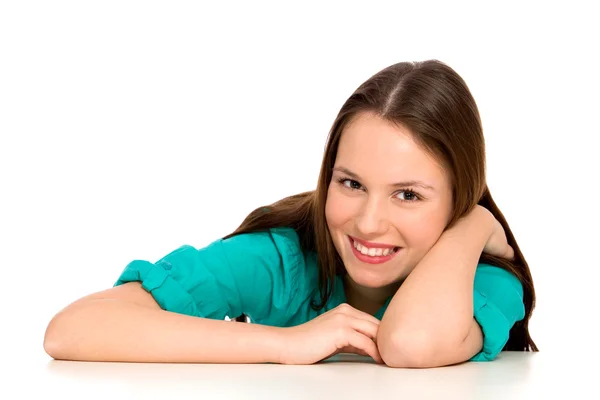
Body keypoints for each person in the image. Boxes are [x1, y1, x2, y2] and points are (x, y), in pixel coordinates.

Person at [43, 59, 538, 368]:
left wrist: (472, 225)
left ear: (459, 200)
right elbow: (72, 329)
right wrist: (285, 343)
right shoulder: (286, 261)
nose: (368, 223)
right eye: (351, 184)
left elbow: (410, 345)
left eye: (408, 195)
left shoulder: (480, 280)